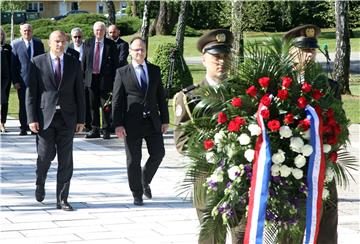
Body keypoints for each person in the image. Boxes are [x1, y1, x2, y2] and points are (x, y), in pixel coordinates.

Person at [173, 29, 244, 244]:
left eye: (225, 57)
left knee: (243, 237)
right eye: (216, 57)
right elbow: (182, 141)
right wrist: (212, 150)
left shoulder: (240, 93)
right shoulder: (189, 98)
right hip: (208, 183)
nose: (221, 62)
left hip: (241, 183)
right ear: (204, 59)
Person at [284, 24, 340, 244]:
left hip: (322, 168)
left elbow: (339, 127)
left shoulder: (330, 88)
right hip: (289, 170)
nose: (308, 56)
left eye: (311, 51)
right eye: (303, 50)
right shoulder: (279, 87)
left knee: (326, 227)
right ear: (291, 51)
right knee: (291, 229)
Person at [26, 30, 85, 211]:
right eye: (57, 42)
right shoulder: (37, 62)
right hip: (45, 119)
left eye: (63, 42)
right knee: (45, 157)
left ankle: (62, 199)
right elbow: (31, 94)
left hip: (67, 118)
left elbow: (80, 93)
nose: (60, 45)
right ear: (50, 43)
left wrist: (81, 119)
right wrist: (31, 119)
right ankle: (40, 181)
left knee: (66, 160)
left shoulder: (74, 63)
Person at [112, 37, 169, 206]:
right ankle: (137, 193)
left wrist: (165, 119)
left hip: (152, 121)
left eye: (142, 50)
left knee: (159, 153)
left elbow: (161, 97)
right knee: (133, 160)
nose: (139, 52)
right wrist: (118, 124)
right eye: (136, 50)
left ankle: (144, 179)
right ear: (130, 52)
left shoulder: (154, 70)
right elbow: (117, 100)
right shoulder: (122, 72)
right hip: (131, 123)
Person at [82, 21, 119, 139]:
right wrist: (82, 78)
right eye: (97, 30)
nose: (99, 32)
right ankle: (95, 129)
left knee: (106, 106)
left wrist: (115, 81)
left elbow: (115, 64)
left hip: (106, 80)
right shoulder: (88, 43)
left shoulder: (110, 44)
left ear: (105, 31)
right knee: (92, 105)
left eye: (101, 30)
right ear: (94, 31)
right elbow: (84, 61)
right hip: (91, 79)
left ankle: (106, 129)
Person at [11, 23, 45, 135]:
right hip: (22, 81)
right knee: (23, 104)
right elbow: (13, 65)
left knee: (36, 103)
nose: (27, 32)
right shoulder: (16, 45)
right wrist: (15, 81)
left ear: (32, 31)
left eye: (29, 30)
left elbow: (43, 62)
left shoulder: (38, 44)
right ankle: (23, 127)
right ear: (21, 31)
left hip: (37, 80)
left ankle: (34, 127)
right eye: (25, 30)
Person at [0, 27, 12, 133]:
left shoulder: (8, 48)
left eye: (1, 34)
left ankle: (2, 123)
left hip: (5, 79)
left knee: (4, 102)